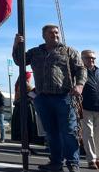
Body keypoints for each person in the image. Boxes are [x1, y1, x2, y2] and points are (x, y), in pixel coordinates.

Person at [13, 25, 87, 172]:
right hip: (42, 98)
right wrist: (16, 45)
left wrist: (79, 85)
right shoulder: (35, 52)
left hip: (64, 97)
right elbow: (19, 61)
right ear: (44, 36)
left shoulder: (68, 51)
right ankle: (56, 162)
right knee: (51, 133)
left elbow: (81, 69)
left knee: (68, 131)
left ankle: (73, 163)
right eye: (51, 32)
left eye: (56, 32)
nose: (55, 34)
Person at [81, 50, 99, 169]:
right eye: (88, 58)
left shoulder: (98, 71)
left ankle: (98, 157)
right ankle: (91, 159)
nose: (91, 60)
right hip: (85, 107)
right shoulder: (79, 71)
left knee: (98, 134)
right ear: (82, 59)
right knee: (88, 133)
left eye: (93, 58)